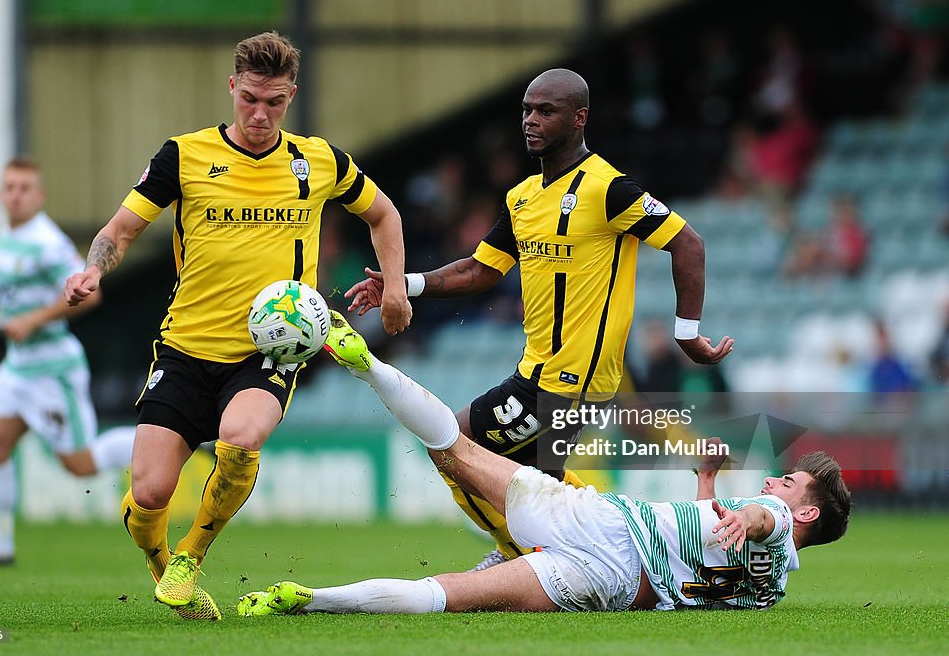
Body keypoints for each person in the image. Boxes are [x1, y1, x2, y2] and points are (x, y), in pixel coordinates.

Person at [64, 31, 411, 621]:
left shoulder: (318, 160)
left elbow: (383, 213)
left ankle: (191, 557)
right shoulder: (185, 156)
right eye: (250, 98)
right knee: (149, 495)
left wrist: (397, 288)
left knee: (241, 437)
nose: (259, 113)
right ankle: (167, 574)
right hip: (184, 349)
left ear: (291, 97)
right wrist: (93, 270)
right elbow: (118, 231)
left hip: (269, 349)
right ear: (232, 87)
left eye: (274, 102)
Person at [344, 68, 733, 569]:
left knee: (463, 448)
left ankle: (535, 560)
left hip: (578, 377)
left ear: (579, 118)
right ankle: (579, 553)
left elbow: (688, 243)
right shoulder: (522, 197)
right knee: (511, 474)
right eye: (527, 110)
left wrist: (687, 334)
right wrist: (401, 284)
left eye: (545, 111)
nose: (531, 120)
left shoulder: (610, 189)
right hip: (535, 370)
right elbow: (479, 271)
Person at [237, 315, 851, 615]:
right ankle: (313, 599)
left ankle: (365, 361)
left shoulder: (769, 521)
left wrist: (749, 514)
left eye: (789, 482)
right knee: (452, 597)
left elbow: (762, 519)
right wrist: (709, 484)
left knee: (453, 448)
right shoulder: (767, 593)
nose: (776, 480)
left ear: (805, 510)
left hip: (601, 525)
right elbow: (703, 551)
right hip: (611, 588)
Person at [0, 157, 135, 570]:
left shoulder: (47, 241)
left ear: (38, 197)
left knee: (80, 464)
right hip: (18, 367)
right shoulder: (10, 236)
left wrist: (32, 320)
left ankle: (173, 436)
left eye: (25, 188)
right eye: (10, 187)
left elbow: (89, 295)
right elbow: (29, 287)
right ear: (1, 194)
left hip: (51, 369)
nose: (16, 195)